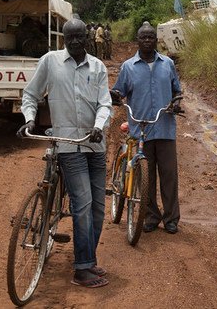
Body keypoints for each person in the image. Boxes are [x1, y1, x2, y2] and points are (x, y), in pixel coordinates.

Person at [18, 18, 112, 288]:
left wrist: (98, 126)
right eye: (69, 38)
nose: (74, 42)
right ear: (63, 39)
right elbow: (30, 94)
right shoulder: (50, 61)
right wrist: (29, 118)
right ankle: (81, 269)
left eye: (79, 37)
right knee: (81, 206)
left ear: (87, 37)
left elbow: (105, 103)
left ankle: (89, 259)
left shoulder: (98, 66)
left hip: (95, 144)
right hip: (68, 145)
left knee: (97, 209)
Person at [111, 21, 183, 234]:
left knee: (169, 175)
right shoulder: (128, 67)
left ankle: (171, 219)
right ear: (138, 40)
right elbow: (118, 91)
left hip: (165, 128)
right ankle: (150, 216)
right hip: (140, 130)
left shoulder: (168, 64)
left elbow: (177, 91)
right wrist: (114, 97)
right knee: (146, 177)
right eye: (143, 37)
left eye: (151, 37)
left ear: (156, 40)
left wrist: (176, 103)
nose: (147, 40)